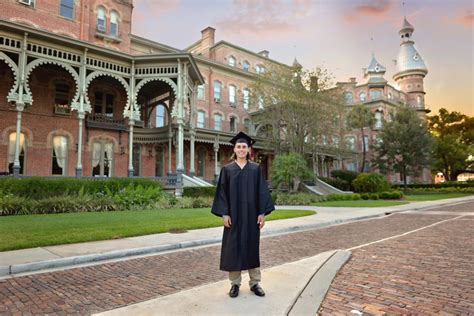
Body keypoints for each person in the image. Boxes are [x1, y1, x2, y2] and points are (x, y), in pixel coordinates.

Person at [211, 131, 275, 298]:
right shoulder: (227, 170)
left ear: (248, 149)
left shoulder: (255, 169)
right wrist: (224, 214)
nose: (241, 149)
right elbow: (222, 193)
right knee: (233, 249)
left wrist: (262, 212)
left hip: (251, 216)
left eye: (244, 147)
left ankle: (255, 283)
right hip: (233, 217)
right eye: (238, 147)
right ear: (234, 149)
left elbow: (262, 192)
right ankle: (235, 284)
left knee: (252, 246)